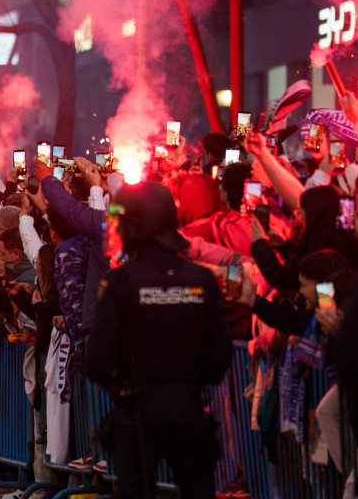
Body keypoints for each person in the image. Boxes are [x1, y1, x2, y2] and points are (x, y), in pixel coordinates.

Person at [86, 180, 231, 498]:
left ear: (133, 224)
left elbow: (97, 358)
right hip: (189, 406)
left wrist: (121, 382)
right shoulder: (202, 279)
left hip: (137, 408)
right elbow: (220, 356)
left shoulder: (121, 282)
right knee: (198, 490)